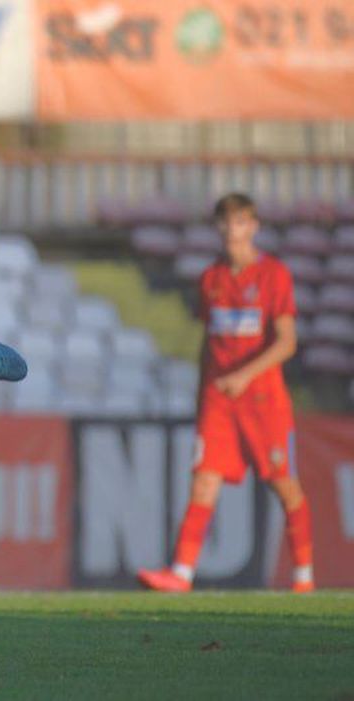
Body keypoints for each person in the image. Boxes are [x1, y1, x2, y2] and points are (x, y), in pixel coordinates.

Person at [138, 193, 314, 594]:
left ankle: (304, 577)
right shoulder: (211, 279)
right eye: (225, 222)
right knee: (203, 483)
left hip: (264, 401)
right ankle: (181, 573)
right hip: (219, 402)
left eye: (239, 222)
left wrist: (245, 376)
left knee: (284, 485)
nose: (231, 230)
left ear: (253, 226)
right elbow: (209, 342)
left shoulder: (273, 275)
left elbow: (286, 342)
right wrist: (203, 394)